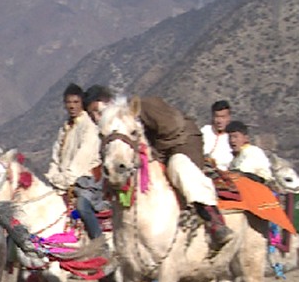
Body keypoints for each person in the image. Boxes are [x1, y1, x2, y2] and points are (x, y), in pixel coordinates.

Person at [83, 85, 234, 251]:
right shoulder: (110, 130)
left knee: (180, 167)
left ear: (108, 102)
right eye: (91, 115)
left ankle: (214, 220)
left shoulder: (144, 107)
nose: (96, 117)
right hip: (156, 153)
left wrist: (155, 155)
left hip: (183, 143)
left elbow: (173, 127)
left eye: (97, 111)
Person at [44, 83, 106, 241]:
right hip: (62, 181)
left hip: (86, 181)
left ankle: (99, 243)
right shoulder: (64, 128)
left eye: (76, 102)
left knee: (82, 206)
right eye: (69, 102)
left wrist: (61, 181)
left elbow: (80, 163)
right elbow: (55, 158)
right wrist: (53, 177)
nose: (72, 106)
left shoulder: (89, 128)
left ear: (82, 103)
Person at [200, 100, 234, 170]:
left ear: (229, 117)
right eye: (217, 117)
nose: (219, 121)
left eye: (223, 117)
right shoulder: (205, 131)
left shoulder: (233, 137)